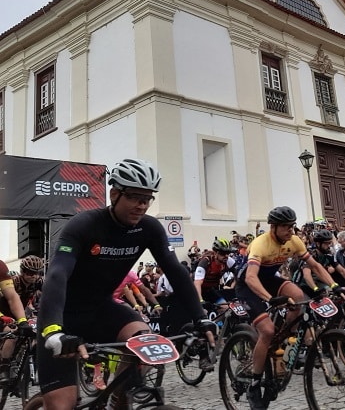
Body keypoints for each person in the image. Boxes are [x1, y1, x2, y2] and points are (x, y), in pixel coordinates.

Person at [36, 158, 215, 410]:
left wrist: (200, 317)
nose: (141, 205)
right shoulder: (84, 225)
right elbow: (57, 275)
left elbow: (176, 272)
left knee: (147, 345)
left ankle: (117, 403)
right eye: (134, 197)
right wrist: (53, 329)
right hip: (63, 316)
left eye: (147, 199)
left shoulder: (149, 228)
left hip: (102, 310)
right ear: (114, 194)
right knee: (62, 405)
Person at [235, 206, 343, 410]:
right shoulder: (260, 244)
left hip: (270, 280)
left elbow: (315, 266)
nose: (290, 231)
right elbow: (250, 277)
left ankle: (285, 339)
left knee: (299, 297)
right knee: (267, 331)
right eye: (286, 227)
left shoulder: (293, 241)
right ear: (273, 227)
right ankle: (254, 385)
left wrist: (334, 285)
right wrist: (270, 299)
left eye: (292, 226)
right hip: (248, 286)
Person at [0, 258, 34, 383]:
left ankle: (5, 367)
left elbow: (12, 296)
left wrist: (23, 321)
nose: (33, 276)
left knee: (13, 333)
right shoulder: (17, 281)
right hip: (3, 311)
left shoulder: (1, 267)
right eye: (30, 272)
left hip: (8, 313)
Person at [194, 237, 237, 308]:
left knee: (225, 308)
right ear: (215, 253)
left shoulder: (229, 261)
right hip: (195, 290)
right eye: (223, 253)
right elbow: (197, 283)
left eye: (228, 253)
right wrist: (200, 301)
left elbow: (238, 275)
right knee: (202, 311)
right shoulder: (206, 262)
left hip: (209, 289)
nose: (226, 256)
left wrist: (232, 286)